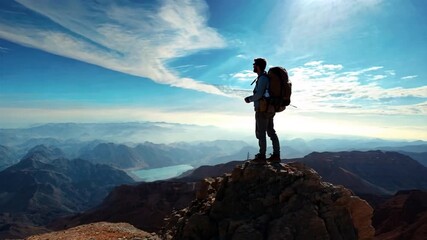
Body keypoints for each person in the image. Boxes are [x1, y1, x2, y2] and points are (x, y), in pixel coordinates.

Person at [244, 58, 280, 164]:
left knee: (261, 133)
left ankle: (262, 156)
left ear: (258, 66)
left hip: (263, 110)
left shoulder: (263, 79)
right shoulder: (264, 78)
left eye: (254, 65)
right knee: (271, 132)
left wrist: (249, 99)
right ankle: (276, 155)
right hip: (270, 109)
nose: (253, 66)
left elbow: (259, 95)